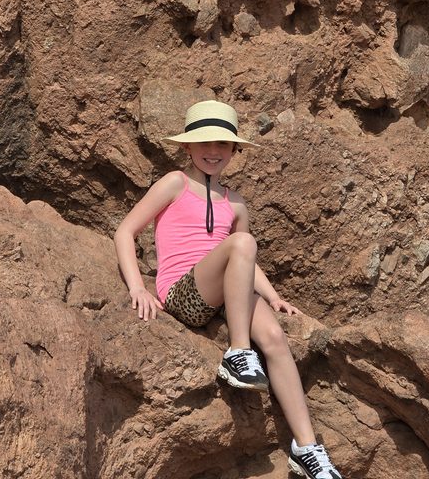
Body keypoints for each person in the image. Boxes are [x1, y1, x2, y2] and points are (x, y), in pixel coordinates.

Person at [114, 100, 344, 479]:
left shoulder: (235, 202)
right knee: (243, 242)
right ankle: (238, 352)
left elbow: (244, 260)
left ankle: (307, 449)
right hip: (184, 293)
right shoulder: (174, 182)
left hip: (225, 294)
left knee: (274, 337)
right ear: (188, 146)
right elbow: (125, 230)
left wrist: (273, 297)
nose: (213, 151)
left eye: (222, 143)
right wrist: (138, 287)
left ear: (235, 149)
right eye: (204, 142)